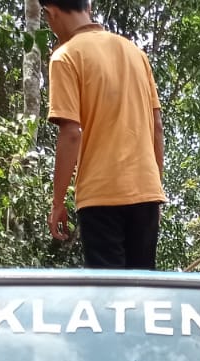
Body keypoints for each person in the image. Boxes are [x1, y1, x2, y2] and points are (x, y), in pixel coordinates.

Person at [43, 0, 166, 269]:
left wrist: (57, 203)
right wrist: (155, 187)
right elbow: (157, 125)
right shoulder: (135, 52)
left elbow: (71, 132)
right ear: (88, 6)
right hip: (146, 193)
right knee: (142, 293)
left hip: (101, 195)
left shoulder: (65, 56)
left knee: (109, 297)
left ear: (50, 13)